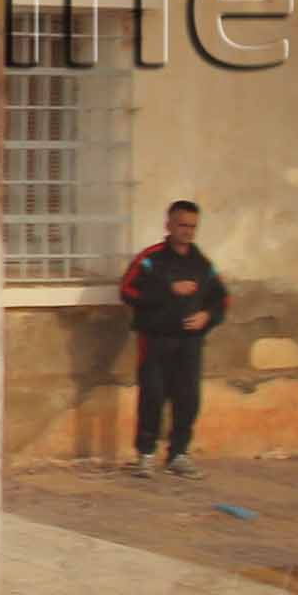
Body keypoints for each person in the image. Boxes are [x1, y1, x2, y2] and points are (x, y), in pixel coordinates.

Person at [118, 199, 228, 479]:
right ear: (169, 224)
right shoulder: (150, 259)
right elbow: (127, 291)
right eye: (182, 225)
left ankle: (179, 453)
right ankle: (145, 454)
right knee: (152, 395)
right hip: (156, 339)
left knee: (188, 397)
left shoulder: (202, 263)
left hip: (190, 343)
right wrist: (168, 290)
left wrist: (208, 316)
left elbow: (222, 298)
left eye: (193, 226)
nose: (188, 231)